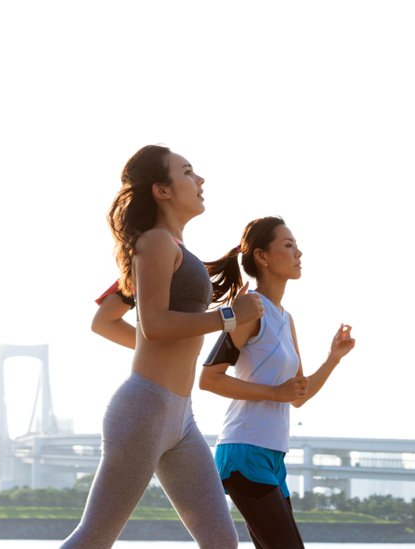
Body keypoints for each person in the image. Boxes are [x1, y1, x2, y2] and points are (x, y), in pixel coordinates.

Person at [62, 145, 262, 548]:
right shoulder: (155, 243)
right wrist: (229, 316)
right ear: (162, 190)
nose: (200, 180)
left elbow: (146, 329)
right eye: (188, 172)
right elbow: (154, 325)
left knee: (222, 543)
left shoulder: (174, 248)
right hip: (145, 409)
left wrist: (173, 339)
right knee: (95, 538)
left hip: (180, 418)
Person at [198, 216, 356, 549]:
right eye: (288, 245)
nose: (299, 253)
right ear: (262, 256)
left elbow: (297, 395)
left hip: (273, 455)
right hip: (244, 450)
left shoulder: (286, 318)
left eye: (296, 245)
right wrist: (274, 392)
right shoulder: (250, 309)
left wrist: (333, 358)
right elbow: (210, 378)